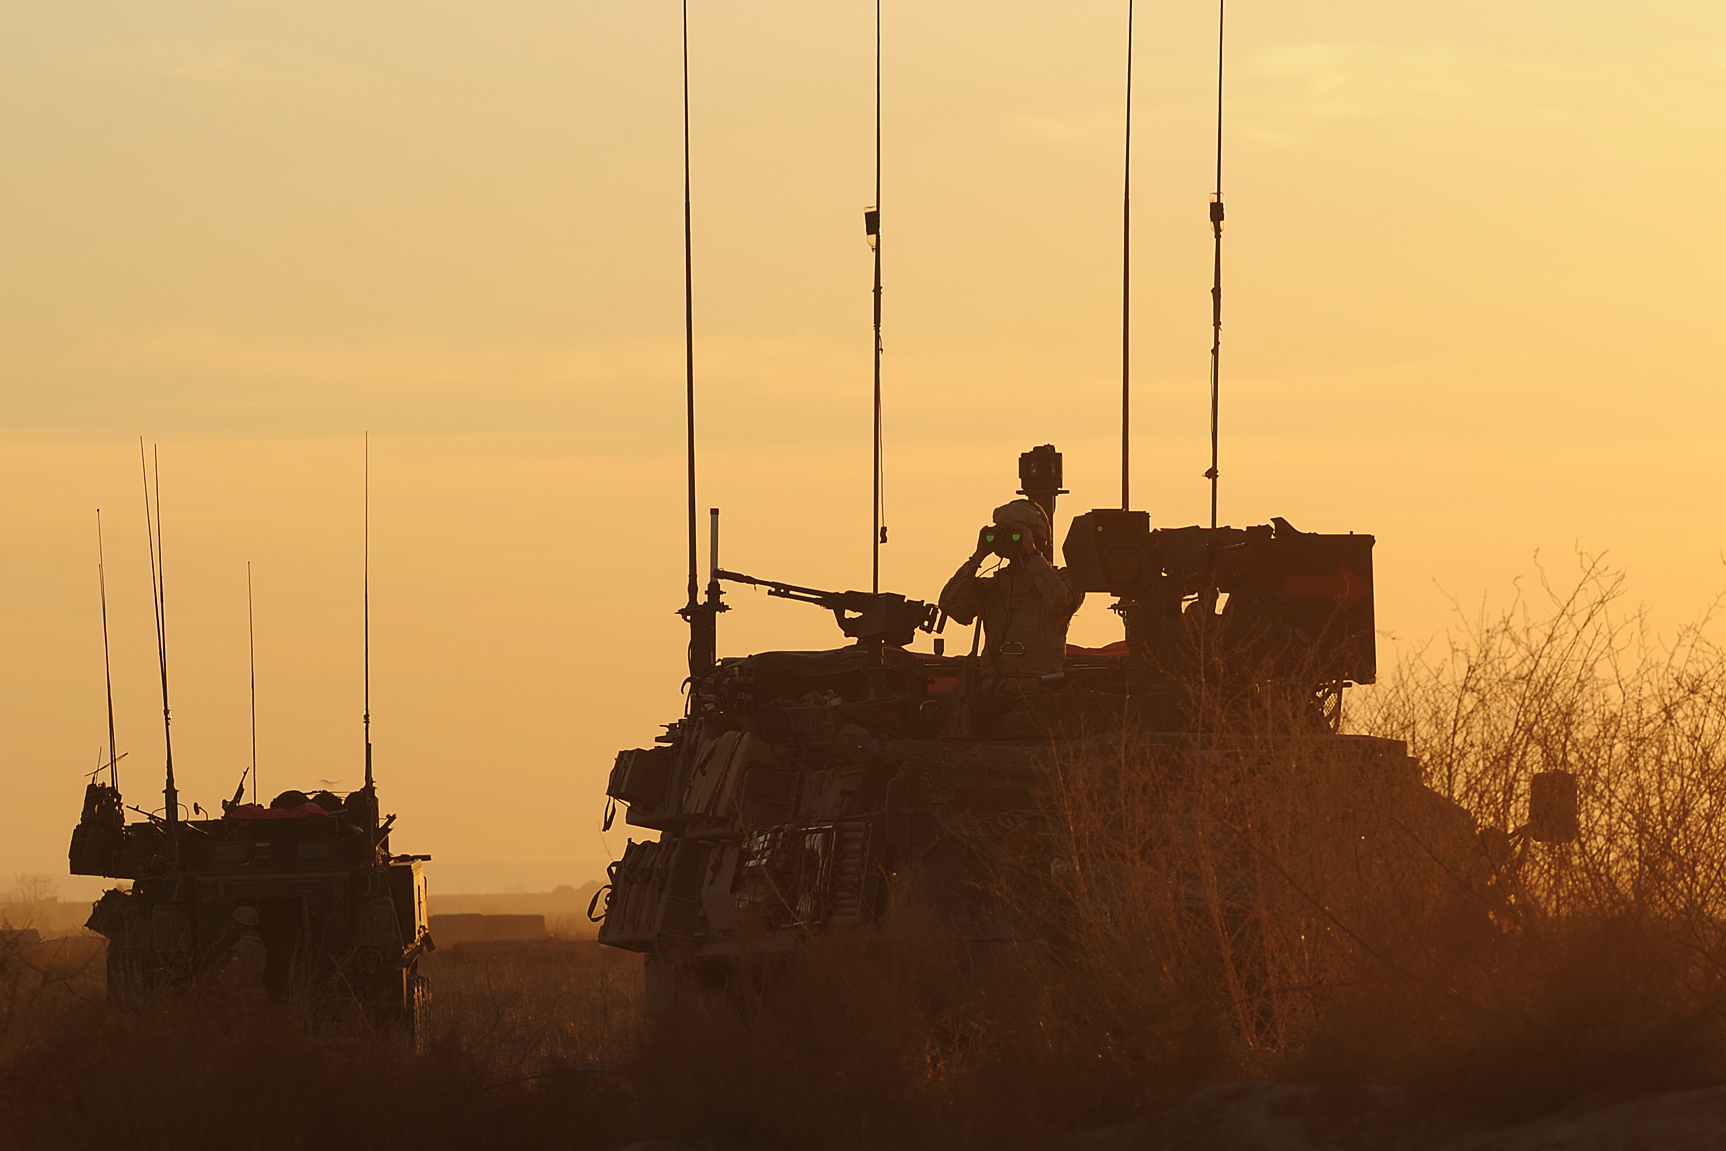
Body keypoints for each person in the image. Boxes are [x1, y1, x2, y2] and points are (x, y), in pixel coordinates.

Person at [939, 499, 1083, 678]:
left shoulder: (1064, 581)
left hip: (1041, 686)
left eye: (1015, 533)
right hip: (994, 689)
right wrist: (978, 556)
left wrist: (1031, 551)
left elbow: (1060, 602)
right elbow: (950, 604)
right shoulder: (992, 587)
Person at [222, 905, 268, 996]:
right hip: (258, 994)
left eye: (234, 923)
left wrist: (222, 975)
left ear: (240, 925)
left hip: (245, 997)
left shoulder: (243, 947)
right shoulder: (258, 944)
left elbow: (233, 974)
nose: (232, 926)